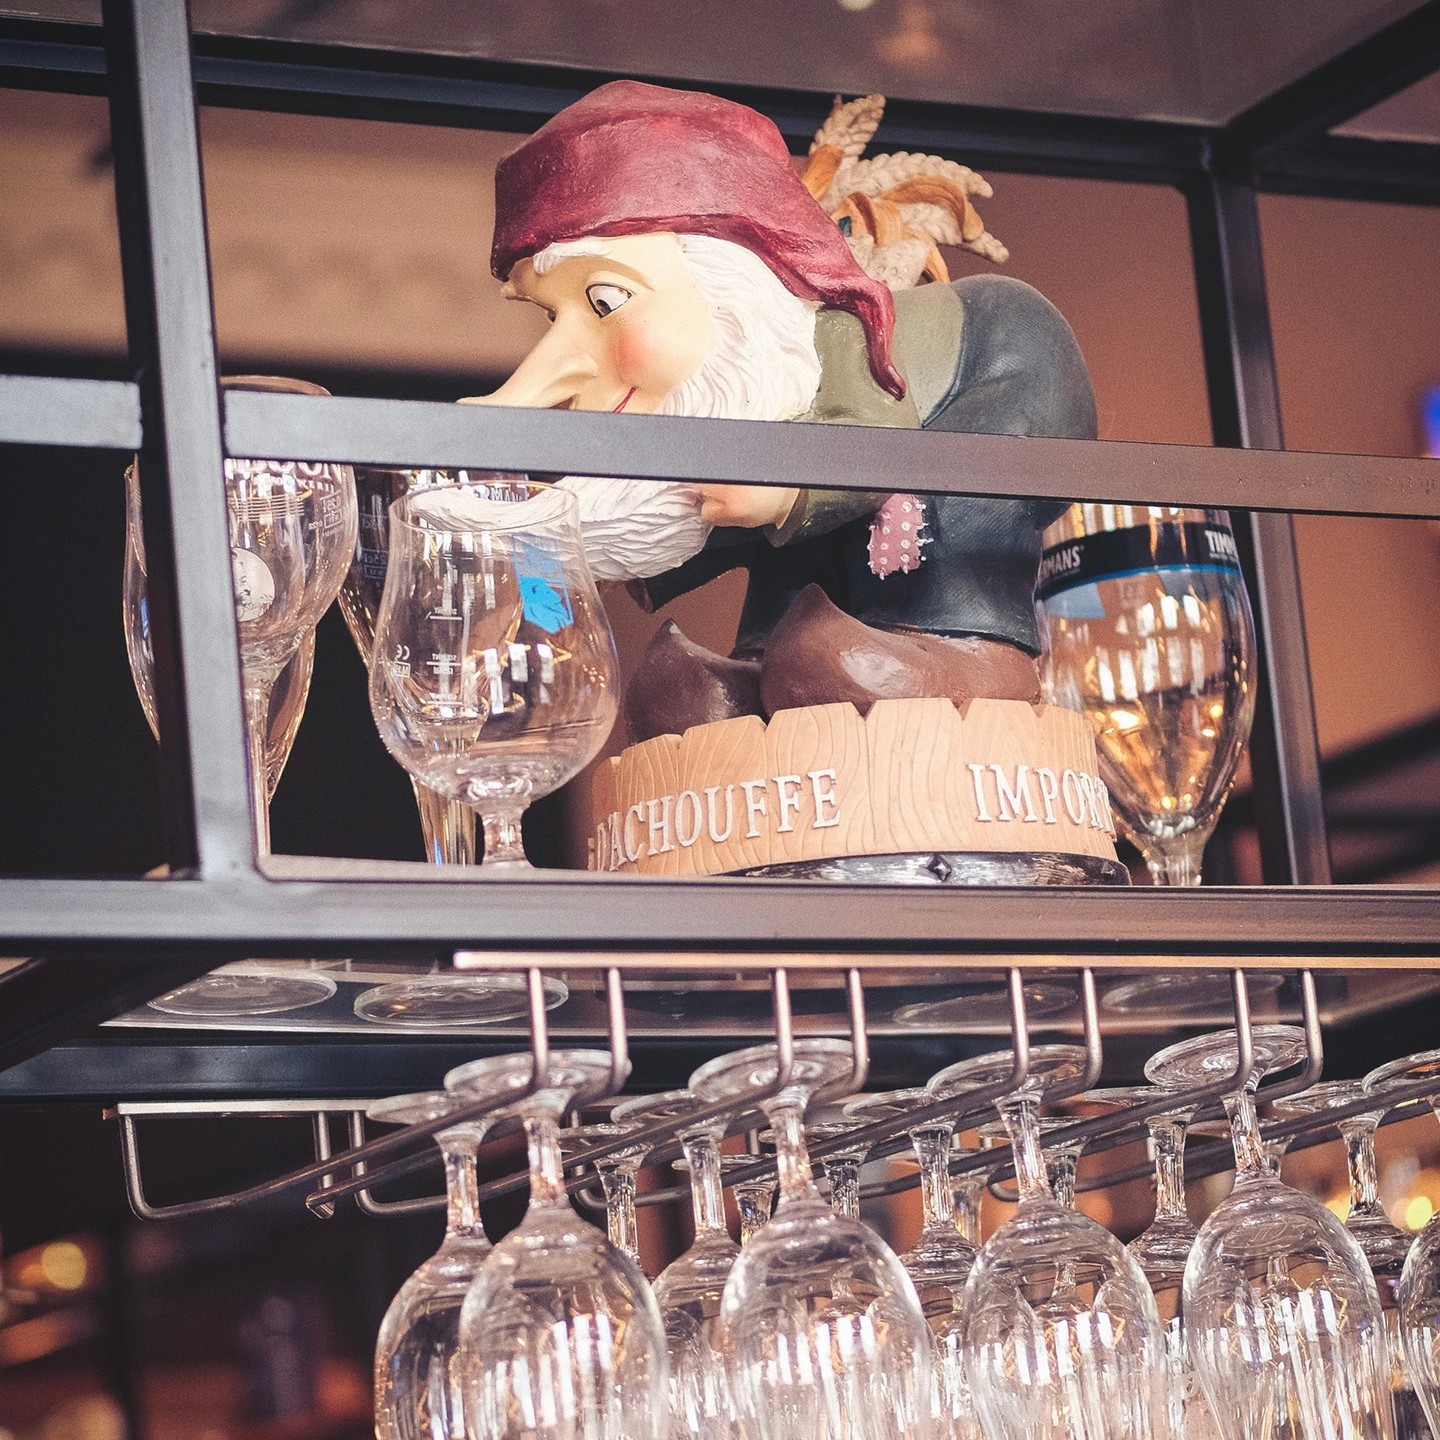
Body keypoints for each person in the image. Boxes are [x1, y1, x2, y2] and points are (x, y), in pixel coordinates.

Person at [464, 80, 1096, 739]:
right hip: (817, 576)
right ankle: (767, 663)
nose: (559, 364)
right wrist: (563, 542)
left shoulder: (846, 337)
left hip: (985, 417)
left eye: (604, 302)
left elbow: (874, 434)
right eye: (550, 314)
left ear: (725, 278)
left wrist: (787, 491)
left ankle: (964, 646)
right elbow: (683, 522)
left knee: (896, 508)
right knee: (783, 570)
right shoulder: (732, 397)